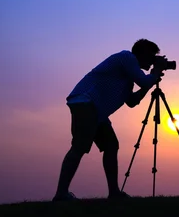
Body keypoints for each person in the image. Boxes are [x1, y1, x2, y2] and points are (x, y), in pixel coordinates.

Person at [53, 38, 167, 201]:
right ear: (140, 53)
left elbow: (132, 101)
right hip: (86, 102)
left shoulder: (128, 77)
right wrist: (154, 75)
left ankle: (114, 192)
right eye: (151, 56)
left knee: (111, 146)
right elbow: (143, 81)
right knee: (79, 147)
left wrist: (151, 81)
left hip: (96, 110)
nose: (152, 60)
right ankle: (61, 194)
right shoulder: (127, 57)